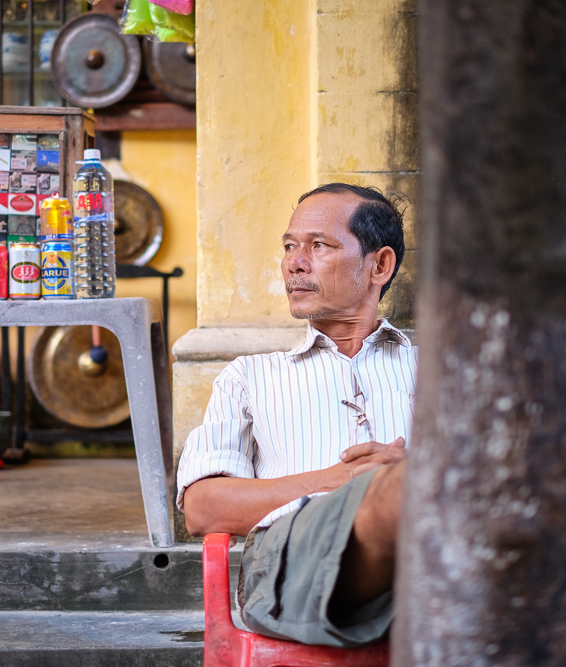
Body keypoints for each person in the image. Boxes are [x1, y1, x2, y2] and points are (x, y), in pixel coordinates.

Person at [177, 183, 416, 647]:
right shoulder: (249, 376)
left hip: (429, 561)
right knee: (411, 489)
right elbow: (202, 509)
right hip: (289, 562)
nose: (294, 261)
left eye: (318, 245)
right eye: (289, 246)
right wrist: (338, 482)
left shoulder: (440, 371)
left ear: (379, 265)